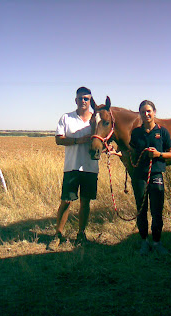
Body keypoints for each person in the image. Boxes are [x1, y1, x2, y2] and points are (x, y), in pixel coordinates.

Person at [48, 86, 98, 250]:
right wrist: (78, 140)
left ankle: (81, 234)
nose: (83, 101)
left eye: (87, 99)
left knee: (85, 202)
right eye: (81, 98)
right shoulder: (66, 118)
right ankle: (58, 234)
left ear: (90, 101)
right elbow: (58, 139)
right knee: (66, 201)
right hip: (71, 167)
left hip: (90, 167)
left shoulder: (95, 120)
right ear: (75, 100)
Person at [129, 100, 171, 256]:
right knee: (141, 209)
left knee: (156, 210)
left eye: (148, 111)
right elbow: (131, 153)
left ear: (154, 112)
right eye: (143, 112)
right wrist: (117, 153)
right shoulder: (136, 133)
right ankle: (144, 242)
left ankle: (156, 241)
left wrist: (158, 154)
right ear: (140, 114)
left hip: (156, 174)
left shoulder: (163, 132)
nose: (146, 114)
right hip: (139, 175)